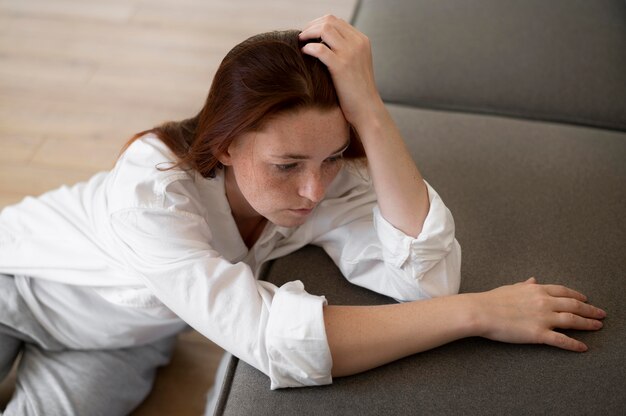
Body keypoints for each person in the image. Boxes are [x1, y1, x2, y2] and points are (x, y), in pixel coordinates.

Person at [0, 15, 605, 415]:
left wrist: (369, 111)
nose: (313, 189)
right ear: (228, 144)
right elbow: (271, 339)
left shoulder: (321, 179)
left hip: (121, 344)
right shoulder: (151, 186)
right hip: (16, 282)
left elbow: (424, 276)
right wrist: (479, 312)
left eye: (333, 157)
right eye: (286, 165)